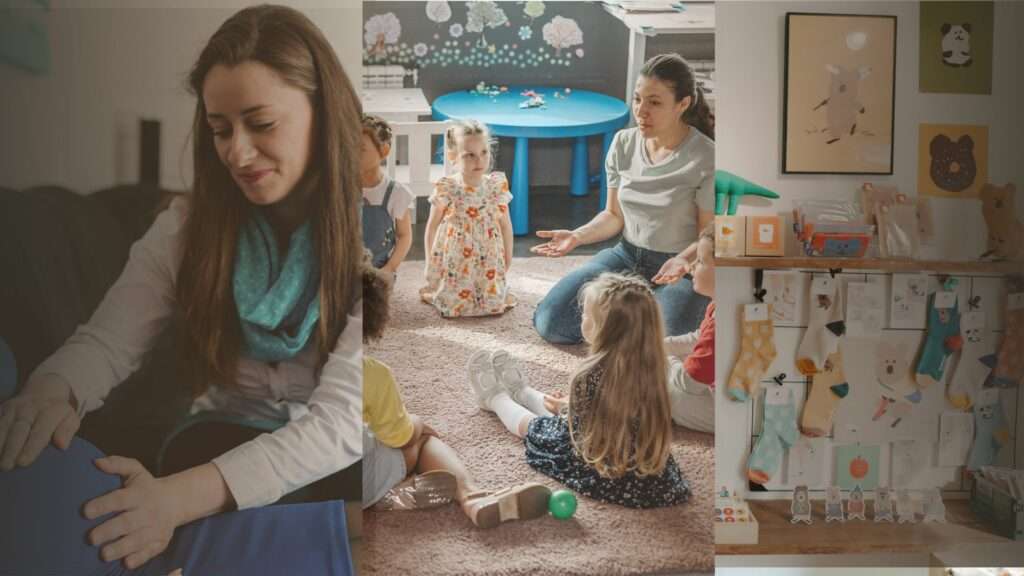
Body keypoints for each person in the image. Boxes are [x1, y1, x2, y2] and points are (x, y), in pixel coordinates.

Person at [0, 5, 362, 569]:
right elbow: (107, 342)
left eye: (261, 124)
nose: (237, 153)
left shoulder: (375, 234)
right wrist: (55, 387)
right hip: (218, 440)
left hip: (339, 453)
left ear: (323, 110)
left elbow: (341, 422)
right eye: (220, 130)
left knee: (376, 470)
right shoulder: (188, 227)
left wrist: (172, 501)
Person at [532, 53, 715, 343]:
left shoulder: (705, 156)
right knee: (551, 322)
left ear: (683, 104)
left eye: (654, 102)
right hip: (627, 255)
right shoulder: (623, 142)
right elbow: (614, 215)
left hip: (679, 266)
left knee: (664, 345)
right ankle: (636, 317)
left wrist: (682, 261)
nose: (641, 112)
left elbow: (709, 234)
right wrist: (577, 236)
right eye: (638, 99)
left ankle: (638, 318)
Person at [469, 272, 689, 508]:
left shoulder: (589, 374)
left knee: (535, 427)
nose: (581, 318)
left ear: (602, 328)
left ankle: (495, 398)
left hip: (605, 465)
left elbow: (577, 432)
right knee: (559, 414)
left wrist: (569, 409)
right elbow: (616, 412)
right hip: (648, 470)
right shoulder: (656, 365)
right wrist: (568, 407)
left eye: (585, 314)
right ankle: (522, 391)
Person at [363, 259, 549, 528]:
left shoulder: (282, 368)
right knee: (421, 440)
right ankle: (471, 496)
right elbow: (400, 436)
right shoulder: (372, 373)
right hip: (354, 482)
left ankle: (391, 495)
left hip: (299, 485)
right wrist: (416, 423)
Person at [420, 119, 516, 318]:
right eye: (469, 155)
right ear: (453, 156)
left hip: (488, 257)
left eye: (483, 153)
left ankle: (485, 295)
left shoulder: (496, 186)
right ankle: (453, 294)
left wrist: (507, 257)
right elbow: (432, 227)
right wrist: (431, 262)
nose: (479, 161)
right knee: (454, 302)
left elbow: (506, 226)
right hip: (456, 258)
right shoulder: (447, 187)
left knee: (491, 301)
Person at [664, 225, 716, 434]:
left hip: (727, 412)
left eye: (701, 261)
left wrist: (666, 359)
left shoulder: (722, 325)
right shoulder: (719, 304)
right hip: (722, 393)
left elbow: (689, 383)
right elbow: (697, 338)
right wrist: (662, 344)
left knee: (662, 394)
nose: (692, 266)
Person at [361, 114, 414, 275]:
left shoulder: (396, 193)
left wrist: (389, 269)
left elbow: (404, 236)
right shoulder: (341, 188)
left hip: (378, 272)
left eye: (360, 149)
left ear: (384, 151)